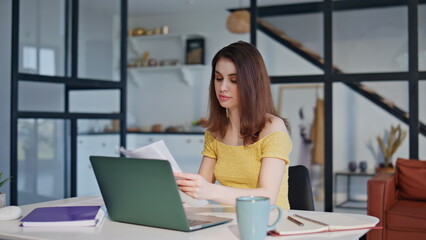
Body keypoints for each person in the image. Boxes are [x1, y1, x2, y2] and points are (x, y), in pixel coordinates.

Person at [175, 41, 293, 210]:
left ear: (252, 84)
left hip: (270, 226)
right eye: (218, 78)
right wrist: (180, 191)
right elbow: (199, 194)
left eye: (234, 80)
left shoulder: (273, 128)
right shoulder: (215, 133)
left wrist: (210, 191)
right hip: (229, 225)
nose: (222, 87)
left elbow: (267, 197)